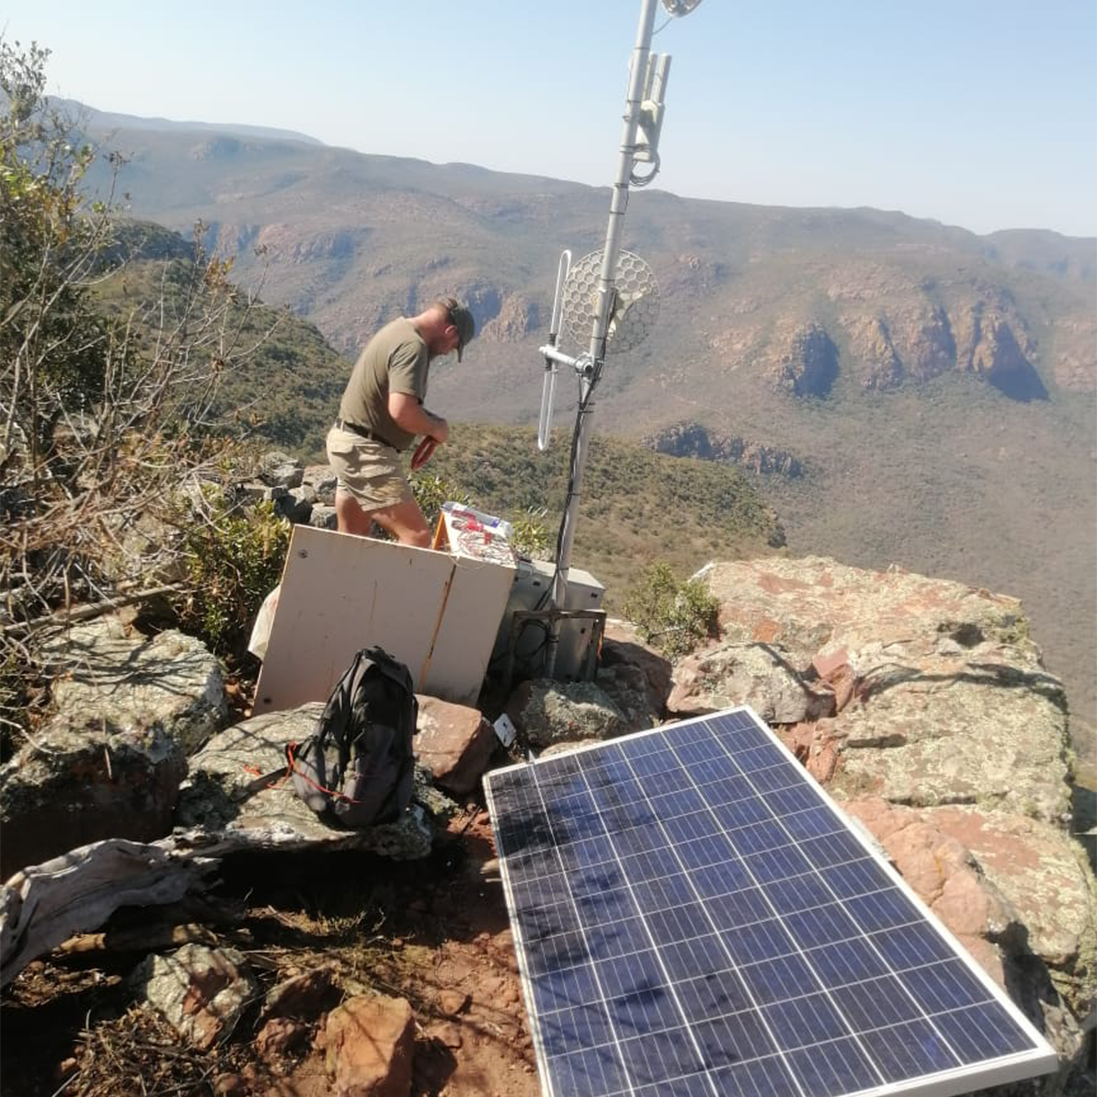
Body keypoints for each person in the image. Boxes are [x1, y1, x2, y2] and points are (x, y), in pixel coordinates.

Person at [326, 296, 475, 547]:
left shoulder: (398, 329)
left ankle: (340, 586)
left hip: (349, 444)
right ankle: (390, 588)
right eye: (454, 345)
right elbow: (402, 411)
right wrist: (437, 428)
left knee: (351, 541)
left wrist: (432, 424)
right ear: (450, 330)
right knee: (416, 537)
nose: (448, 351)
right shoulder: (412, 346)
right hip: (367, 452)